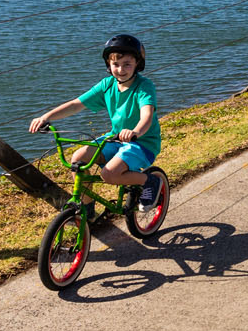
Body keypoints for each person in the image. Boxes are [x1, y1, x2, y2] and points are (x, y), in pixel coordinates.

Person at [28, 33, 161, 218]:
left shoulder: (144, 87)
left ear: (138, 64)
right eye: (115, 64)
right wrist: (46, 117)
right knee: (78, 159)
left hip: (142, 142)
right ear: (109, 65)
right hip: (116, 138)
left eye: (127, 64)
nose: (121, 70)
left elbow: (146, 115)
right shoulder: (107, 85)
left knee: (109, 175)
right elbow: (76, 104)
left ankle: (150, 181)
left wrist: (135, 132)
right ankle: (87, 209)